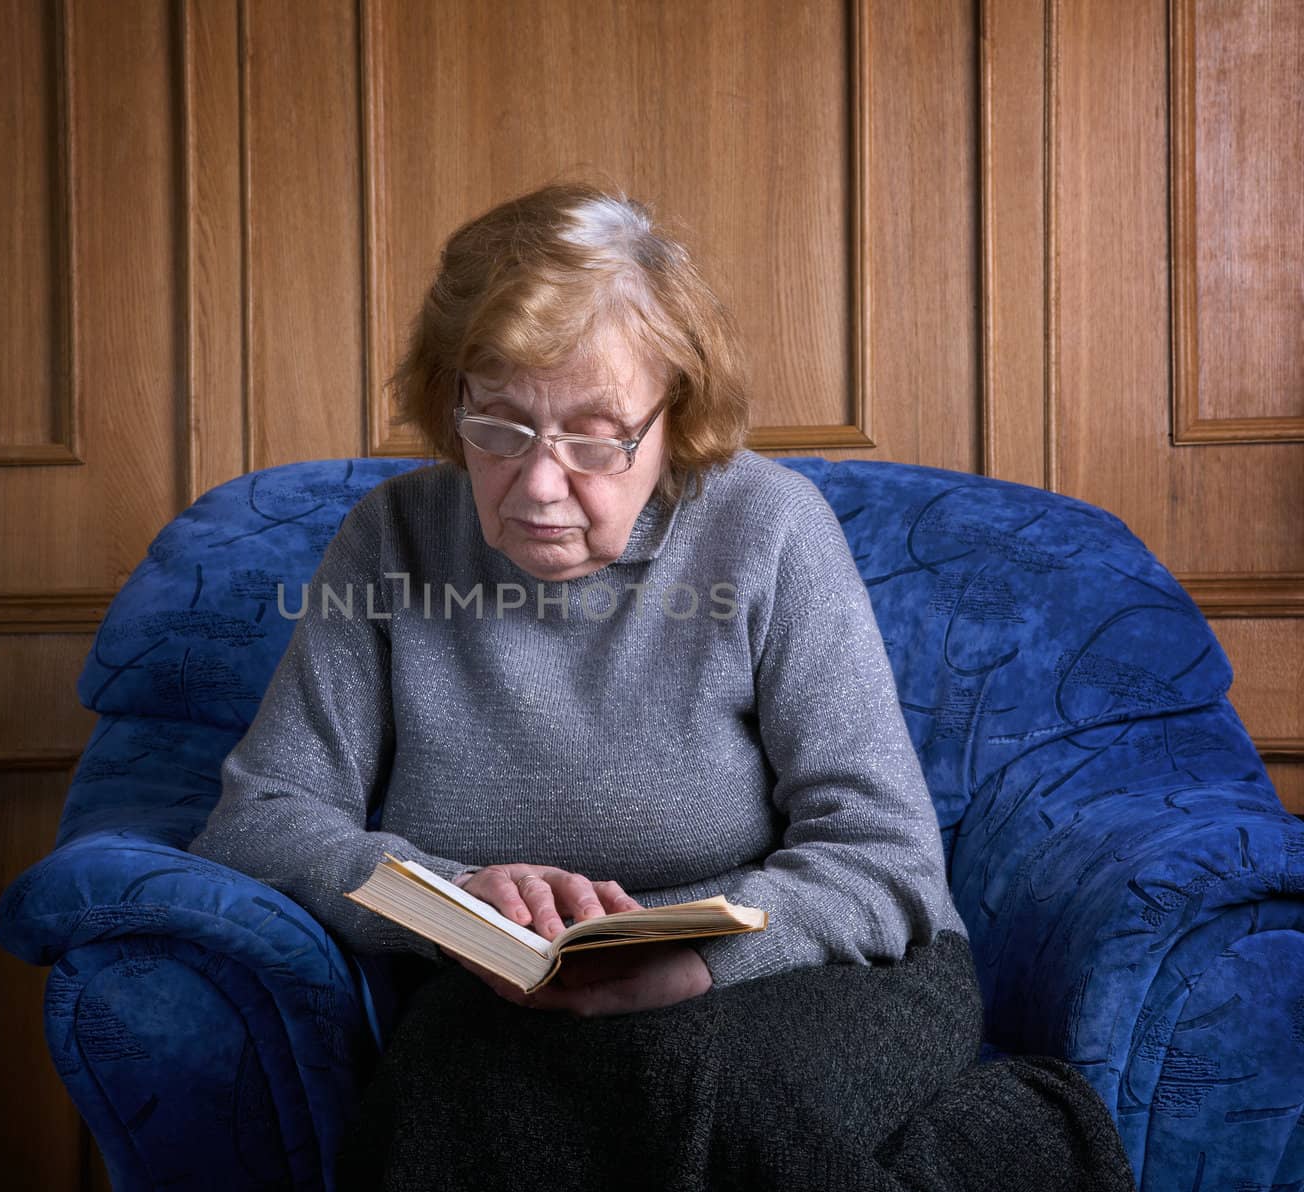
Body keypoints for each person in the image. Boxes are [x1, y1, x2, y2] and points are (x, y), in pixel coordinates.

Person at [187, 183, 1136, 1191]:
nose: (540, 485)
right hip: (517, 992)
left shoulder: (767, 528)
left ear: (673, 415)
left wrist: (694, 965)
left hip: (819, 971)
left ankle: (1029, 1133)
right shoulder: (392, 539)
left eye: (597, 437)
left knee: (685, 1080)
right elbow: (261, 817)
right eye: (499, 428)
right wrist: (446, 891)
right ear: (448, 399)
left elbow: (886, 863)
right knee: (449, 1087)